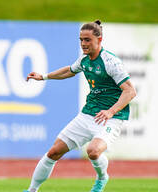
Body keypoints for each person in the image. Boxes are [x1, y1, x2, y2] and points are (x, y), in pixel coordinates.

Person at [24, 20, 136, 192]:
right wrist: (44, 76)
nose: (83, 44)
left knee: (93, 151)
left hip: (110, 118)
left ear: (99, 40)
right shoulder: (84, 59)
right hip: (87, 114)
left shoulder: (110, 62)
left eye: (87, 40)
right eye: (81, 40)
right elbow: (69, 70)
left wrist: (110, 111)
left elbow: (130, 91)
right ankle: (31, 190)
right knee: (53, 152)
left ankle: (102, 177)